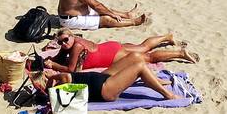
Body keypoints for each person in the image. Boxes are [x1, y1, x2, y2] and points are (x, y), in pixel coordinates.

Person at [33, 53, 179, 104]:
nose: (48, 72)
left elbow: (75, 75)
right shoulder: (58, 83)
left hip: (102, 78)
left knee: (134, 57)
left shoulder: (57, 81)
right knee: (139, 66)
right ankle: (168, 95)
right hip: (105, 90)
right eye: (46, 75)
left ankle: (155, 81)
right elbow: (65, 77)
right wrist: (53, 77)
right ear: (46, 82)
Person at [51, 31, 196, 70]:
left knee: (149, 57)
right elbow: (58, 57)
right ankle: (167, 37)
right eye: (60, 42)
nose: (64, 44)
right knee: (143, 46)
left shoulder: (76, 47)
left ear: (71, 36)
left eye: (66, 40)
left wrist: (53, 66)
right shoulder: (75, 41)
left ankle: (180, 53)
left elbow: (70, 69)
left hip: (113, 56)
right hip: (109, 47)